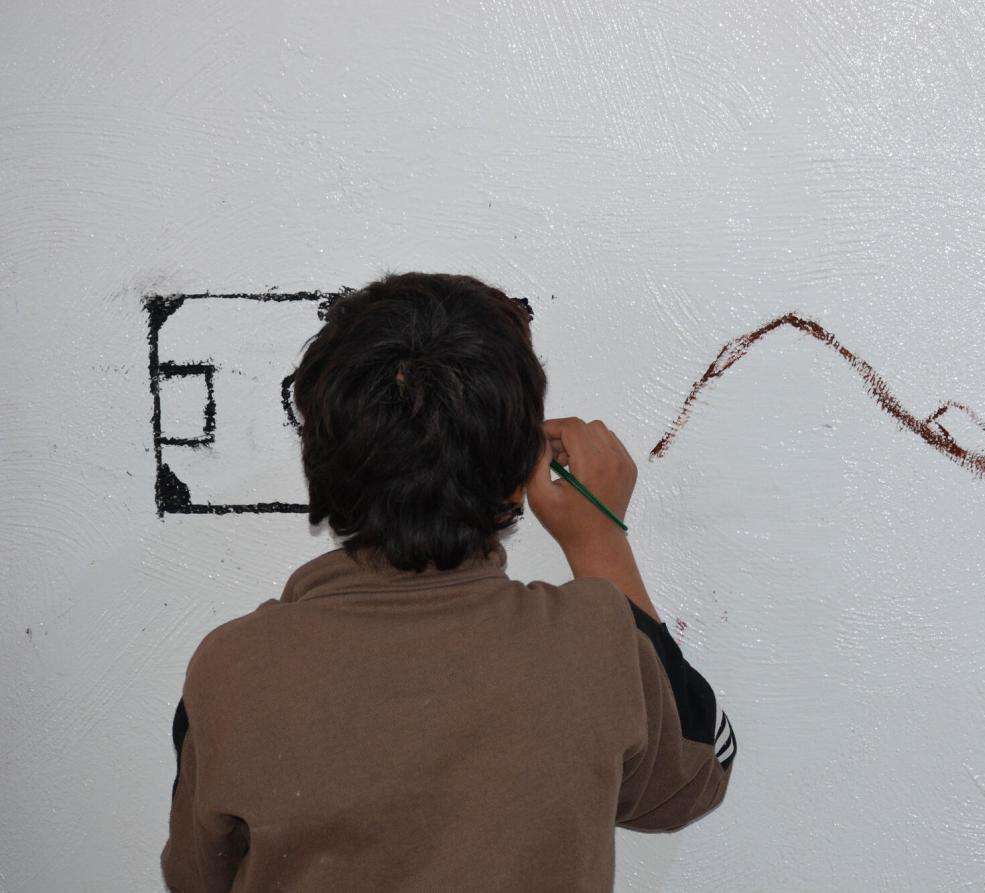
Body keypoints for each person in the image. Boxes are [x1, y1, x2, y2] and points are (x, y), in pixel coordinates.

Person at [160, 272, 736, 891]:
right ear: (520, 473)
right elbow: (693, 776)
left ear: (318, 464)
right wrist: (598, 540)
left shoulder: (233, 668)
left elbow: (197, 877)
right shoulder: (594, 646)